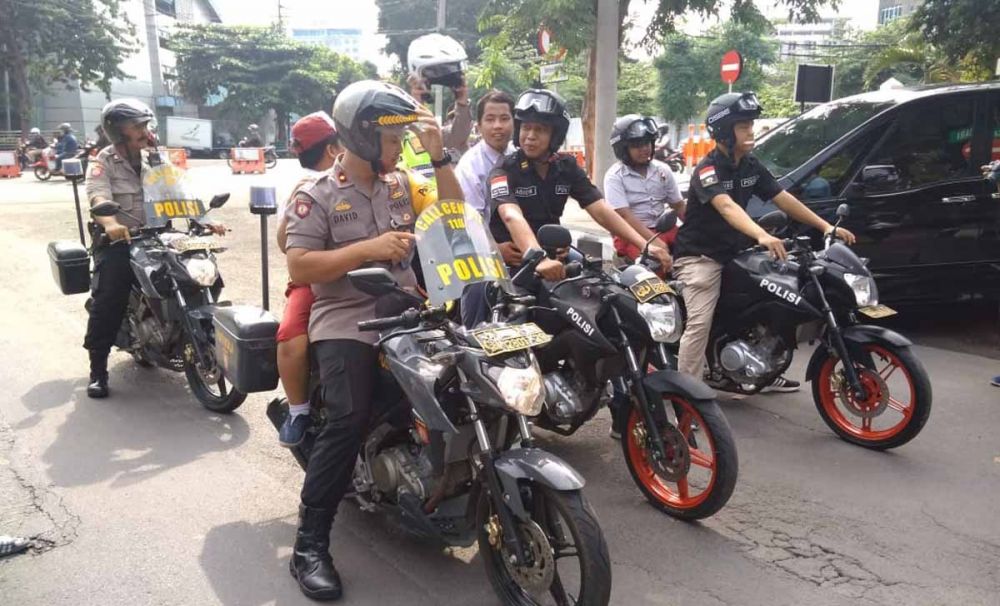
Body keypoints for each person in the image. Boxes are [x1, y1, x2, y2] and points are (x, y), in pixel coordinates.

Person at [282, 80, 460, 601]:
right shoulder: (317, 195)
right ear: (360, 136)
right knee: (348, 416)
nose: (399, 147)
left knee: (469, 384)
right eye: (391, 138)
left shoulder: (402, 183)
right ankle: (309, 545)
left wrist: (439, 155)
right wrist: (368, 249)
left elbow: (452, 215)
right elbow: (300, 264)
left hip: (405, 309)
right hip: (346, 317)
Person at [672, 91, 856, 393]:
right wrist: (760, 234)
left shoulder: (750, 165)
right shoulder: (708, 169)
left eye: (750, 125)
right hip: (702, 257)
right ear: (725, 130)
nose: (751, 131)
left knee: (777, 298)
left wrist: (825, 227)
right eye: (743, 126)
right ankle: (687, 396)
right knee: (699, 324)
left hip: (739, 251)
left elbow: (782, 198)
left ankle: (767, 364)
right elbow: (727, 206)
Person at [83, 99, 226, 398]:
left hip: (160, 235)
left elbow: (179, 190)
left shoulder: (156, 159)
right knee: (109, 297)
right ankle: (98, 369)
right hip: (120, 241)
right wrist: (110, 223)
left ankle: (183, 331)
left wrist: (205, 219)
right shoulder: (102, 163)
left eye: (146, 125)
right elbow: (98, 198)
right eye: (137, 126)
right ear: (118, 132)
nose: (145, 131)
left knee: (204, 273)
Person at [489, 89, 672, 283]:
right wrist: (538, 258)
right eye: (526, 128)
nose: (530, 136)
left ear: (556, 135)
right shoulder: (504, 169)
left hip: (556, 261)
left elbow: (600, 209)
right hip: (513, 265)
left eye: (540, 129)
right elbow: (511, 216)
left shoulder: (566, 166)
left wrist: (645, 245)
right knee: (479, 298)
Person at [274, 112, 343, 448]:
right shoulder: (306, 188)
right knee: (291, 337)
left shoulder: (365, 176)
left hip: (368, 276)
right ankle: (298, 410)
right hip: (315, 280)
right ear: (333, 149)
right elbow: (285, 244)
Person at [454, 90, 515, 328]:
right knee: (479, 284)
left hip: (520, 248)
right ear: (478, 125)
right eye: (490, 119)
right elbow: (472, 221)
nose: (497, 126)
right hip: (479, 249)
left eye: (504, 118)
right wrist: (496, 250)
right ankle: (472, 336)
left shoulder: (520, 156)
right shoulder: (470, 166)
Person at [604, 114, 686, 262]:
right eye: (637, 145)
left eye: (647, 143)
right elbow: (624, 216)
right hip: (632, 234)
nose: (644, 149)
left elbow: (678, 205)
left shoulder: (663, 170)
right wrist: (653, 242)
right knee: (653, 268)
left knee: (696, 253)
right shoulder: (615, 176)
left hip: (664, 228)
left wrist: (699, 231)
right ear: (623, 149)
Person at [402, 33, 473, 180]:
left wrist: (462, 101)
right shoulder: (399, 129)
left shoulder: (441, 136)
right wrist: (417, 101)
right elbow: (417, 128)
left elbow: (458, 136)